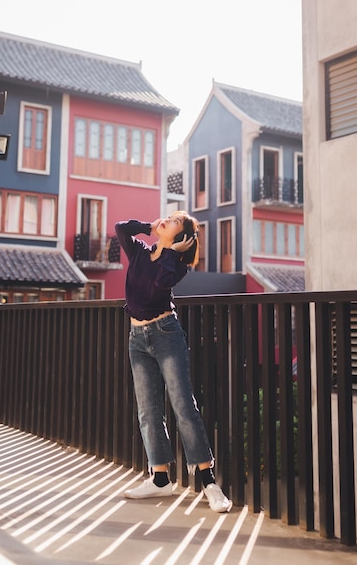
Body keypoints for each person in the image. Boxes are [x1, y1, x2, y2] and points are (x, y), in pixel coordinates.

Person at [115, 211, 232, 513]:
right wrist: (146, 226)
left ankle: (208, 482)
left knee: (183, 406)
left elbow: (159, 284)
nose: (166, 219)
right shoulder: (139, 252)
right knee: (148, 411)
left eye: (175, 222)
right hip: (137, 338)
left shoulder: (176, 266)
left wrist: (169, 250)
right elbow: (121, 227)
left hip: (166, 334)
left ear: (181, 238)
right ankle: (160, 479)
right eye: (167, 216)